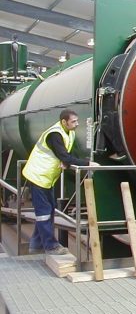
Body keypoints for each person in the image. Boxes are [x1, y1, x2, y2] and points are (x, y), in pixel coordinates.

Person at [22, 109, 99, 255]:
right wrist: (87, 163)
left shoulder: (69, 132)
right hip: (38, 175)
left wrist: (66, 161)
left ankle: (36, 244)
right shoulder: (55, 134)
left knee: (49, 209)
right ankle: (50, 246)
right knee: (44, 212)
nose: (77, 124)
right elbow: (64, 155)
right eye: (73, 121)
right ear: (64, 122)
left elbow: (66, 155)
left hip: (47, 177)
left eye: (77, 121)